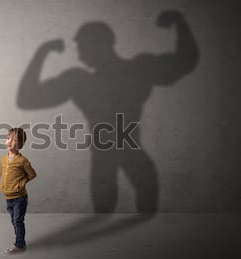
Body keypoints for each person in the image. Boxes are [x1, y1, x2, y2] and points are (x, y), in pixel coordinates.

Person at [17, 10, 199, 214]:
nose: (78, 53)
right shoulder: (120, 73)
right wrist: (42, 51)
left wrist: (43, 52)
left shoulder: (93, 79)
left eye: (82, 46)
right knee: (125, 209)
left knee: (128, 211)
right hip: (120, 156)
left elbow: (184, 62)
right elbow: (27, 99)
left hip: (112, 156)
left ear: (97, 44)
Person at [0, 127, 37, 254]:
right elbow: (3, 174)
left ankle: (20, 245)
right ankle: (19, 242)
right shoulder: (3, 159)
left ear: (20, 144)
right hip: (8, 197)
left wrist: (19, 184)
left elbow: (32, 174)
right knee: (14, 221)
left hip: (19, 198)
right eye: (8, 138)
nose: (9, 141)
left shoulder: (22, 161)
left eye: (14, 139)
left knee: (17, 221)